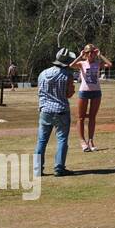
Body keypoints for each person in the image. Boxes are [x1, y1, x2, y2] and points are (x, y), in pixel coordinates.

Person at [35, 48, 76, 177]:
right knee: (62, 139)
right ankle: (59, 168)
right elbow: (69, 94)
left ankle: (37, 169)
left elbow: (40, 92)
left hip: (45, 110)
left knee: (41, 140)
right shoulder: (67, 75)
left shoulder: (43, 73)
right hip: (61, 110)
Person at [70, 44, 111, 152]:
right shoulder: (81, 63)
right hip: (84, 92)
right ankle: (82, 141)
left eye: (92, 52)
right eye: (88, 52)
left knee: (92, 117)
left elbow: (109, 64)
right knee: (81, 117)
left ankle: (91, 140)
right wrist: (80, 55)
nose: (90, 54)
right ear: (85, 53)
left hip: (96, 92)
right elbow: (71, 65)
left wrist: (100, 55)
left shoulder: (98, 63)